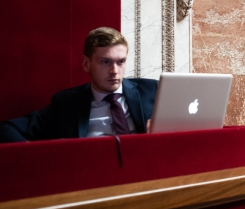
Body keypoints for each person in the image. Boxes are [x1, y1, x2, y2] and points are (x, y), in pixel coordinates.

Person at [0, 27, 157, 143]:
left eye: (121, 62)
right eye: (105, 62)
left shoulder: (152, 91)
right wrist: (38, 156)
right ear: (86, 64)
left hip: (147, 176)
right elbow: (6, 128)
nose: (114, 71)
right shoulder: (66, 104)